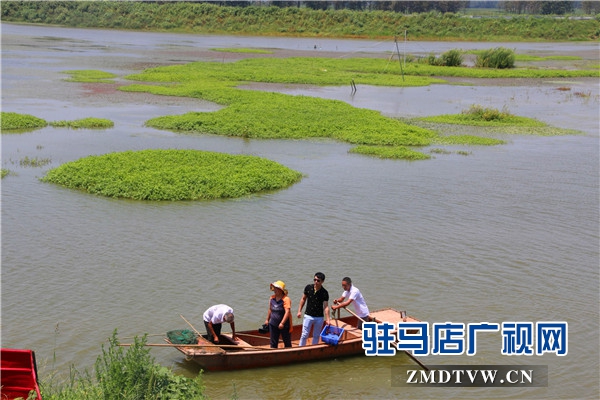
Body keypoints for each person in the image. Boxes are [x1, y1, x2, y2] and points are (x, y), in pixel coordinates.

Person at [297, 272, 330, 346]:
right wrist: (299, 311)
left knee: (316, 336)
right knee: (304, 335)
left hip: (319, 317)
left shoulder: (324, 292)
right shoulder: (308, 288)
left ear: (322, 281)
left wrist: (328, 319)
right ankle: (301, 348)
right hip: (308, 315)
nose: (316, 282)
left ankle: (314, 348)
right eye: (314, 280)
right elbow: (303, 299)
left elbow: (326, 307)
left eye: (318, 280)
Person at [265, 280, 292, 348]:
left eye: (276, 288)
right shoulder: (272, 298)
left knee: (287, 342)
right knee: (273, 342)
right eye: (274, 288)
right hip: (273, 323)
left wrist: (282, 323)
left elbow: (287, 312)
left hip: (284, 325)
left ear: (280, 290)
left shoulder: (286, 299)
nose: (274, 290)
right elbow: (270, 309)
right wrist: (267, 320)